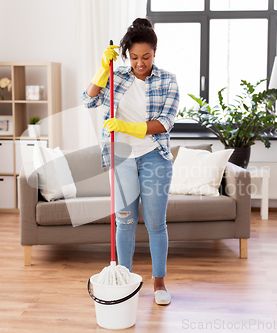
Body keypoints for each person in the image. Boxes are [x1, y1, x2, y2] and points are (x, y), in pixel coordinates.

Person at [82, 18, 179, 305]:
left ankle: (159, 284)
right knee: (124, 223)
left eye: (146, 57)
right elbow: (88, 101)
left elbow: (165, 122)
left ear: (155, 52)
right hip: (122, 157)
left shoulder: (167, 80)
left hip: (155, 158)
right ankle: (124, 280)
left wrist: (129, 127)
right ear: (126, 55)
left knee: (155, 224)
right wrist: (102, 71)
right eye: (134, 57)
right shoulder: (117, 75)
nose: (140, 63)